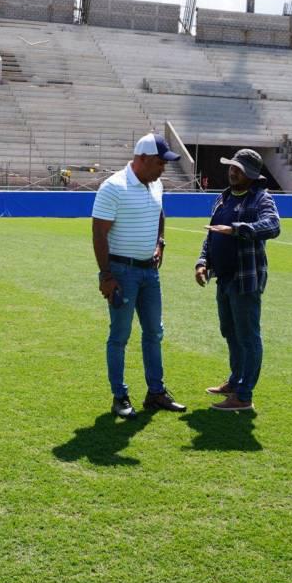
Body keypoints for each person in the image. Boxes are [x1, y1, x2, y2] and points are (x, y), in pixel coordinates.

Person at [92, 133, 187, 418]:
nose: (163, 169)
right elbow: (99, 233)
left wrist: (160, 243)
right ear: (142, 159)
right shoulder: (114, 187)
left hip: (149, 272)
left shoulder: (155, 184)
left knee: (154, 332)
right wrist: (106, 275)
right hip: (122, 272)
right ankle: (119, 397)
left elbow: (160, 215)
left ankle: (155, 393)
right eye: (160, 163)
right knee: (120, 336)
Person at [195, 149, 281, 412]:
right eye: (232, 167)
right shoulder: (223, 198)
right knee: (230, 332)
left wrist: (237, 229)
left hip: (246, 280)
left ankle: (244, 395)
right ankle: (235, 381)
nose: (233, 171)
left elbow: (273, 226)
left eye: (239, 169)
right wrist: (202, 262)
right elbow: (211, 236)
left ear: (252, 175)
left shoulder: (261, 199)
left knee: (248, 336)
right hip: (224, 278)